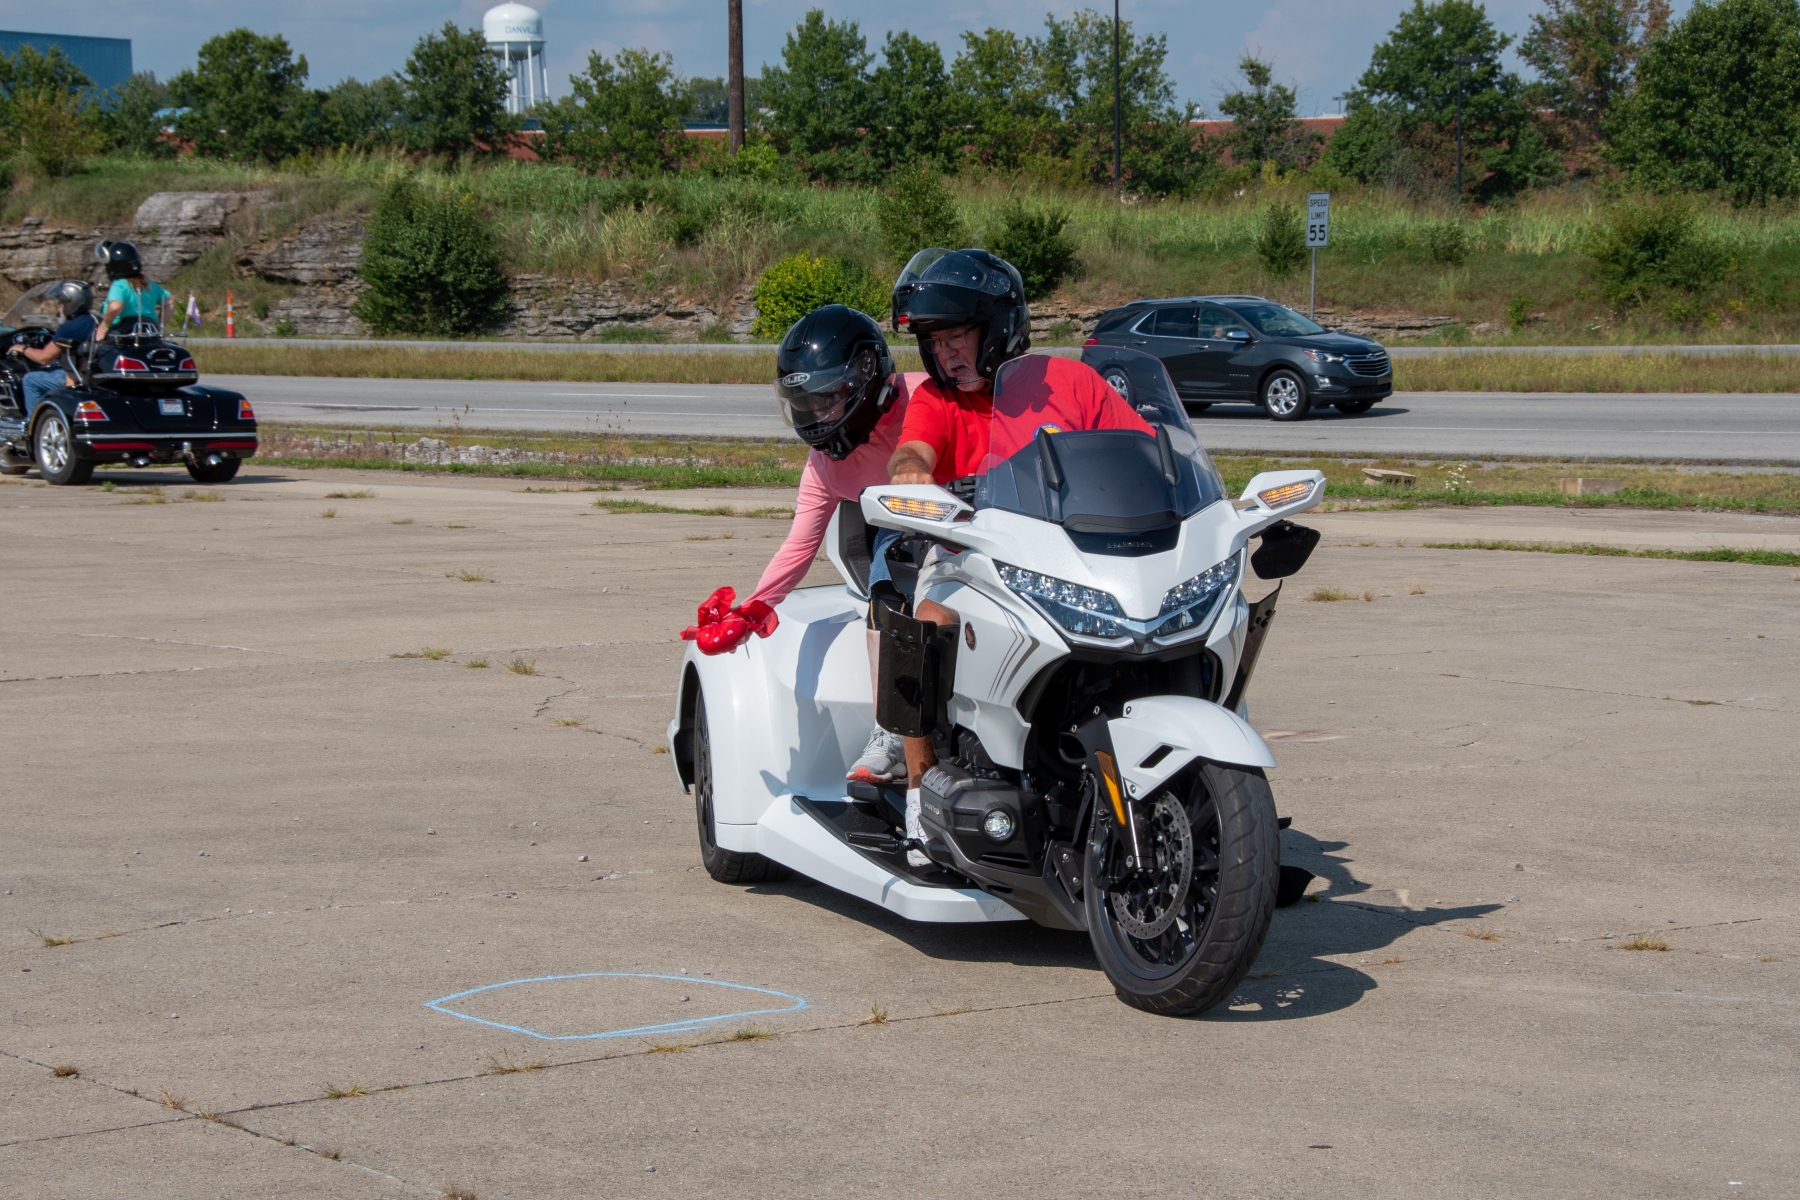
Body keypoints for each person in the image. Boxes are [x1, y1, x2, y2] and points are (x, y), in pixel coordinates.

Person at [884, 247, 1154, 862]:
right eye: (935, 342)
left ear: (999, 326)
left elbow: (1143, 451)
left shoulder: (1072, 383)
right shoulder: (937, 400)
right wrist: (909, 475)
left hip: (1078, 557)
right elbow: (913, 451)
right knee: (923, 624)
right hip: (967, 554)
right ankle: (920, 796)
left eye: (958, 336)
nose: (946, 353)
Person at [678, 303, 930, 783]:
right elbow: (799, 545)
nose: (817, 414)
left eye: (827, 397)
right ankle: (892, 730)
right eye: (807, 402)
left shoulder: (925, 397)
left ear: (866, 376)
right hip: (903, 530)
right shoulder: (824, 465)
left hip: (976, 514)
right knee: (888, 589)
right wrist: (749, 612)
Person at [6, 280, 96, 417]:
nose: (59, 306)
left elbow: (44, 358)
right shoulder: (96, 320)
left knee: (30, 380)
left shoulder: (69, 327)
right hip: (90, 373)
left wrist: (22, 348)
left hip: (76, 377)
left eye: (61, 302)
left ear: (71, 303)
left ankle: (33, 422)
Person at [96, 241, 172, 337]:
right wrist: (159, 326)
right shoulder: (149, 284)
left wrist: (104, 327)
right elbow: (170, 301)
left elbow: (116, 306)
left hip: (122, 337)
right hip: (149, 335)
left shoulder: (119, 285)